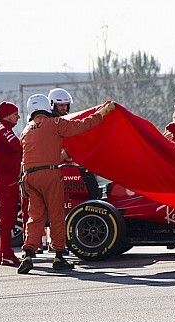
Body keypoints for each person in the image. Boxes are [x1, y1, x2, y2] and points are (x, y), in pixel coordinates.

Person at [17, 94, 115, 274]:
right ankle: (59, 255)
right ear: (48, 107)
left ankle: (28, 253)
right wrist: (102, 114)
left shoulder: (26, 130)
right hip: (50, 173)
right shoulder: (55, 124)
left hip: (29, 176)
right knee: (55, 214)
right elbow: (81, 126)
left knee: (35, 216)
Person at [0, 101, 23, 266]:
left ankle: (2, 254)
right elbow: (19, 146)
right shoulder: (4, 131)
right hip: (6, 180)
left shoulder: (4, 130)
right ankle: (7, 254)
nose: (18, 116)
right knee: (7, 219)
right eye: (15, 113)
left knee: (7, 219)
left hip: (5, 179)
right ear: (7, 115)